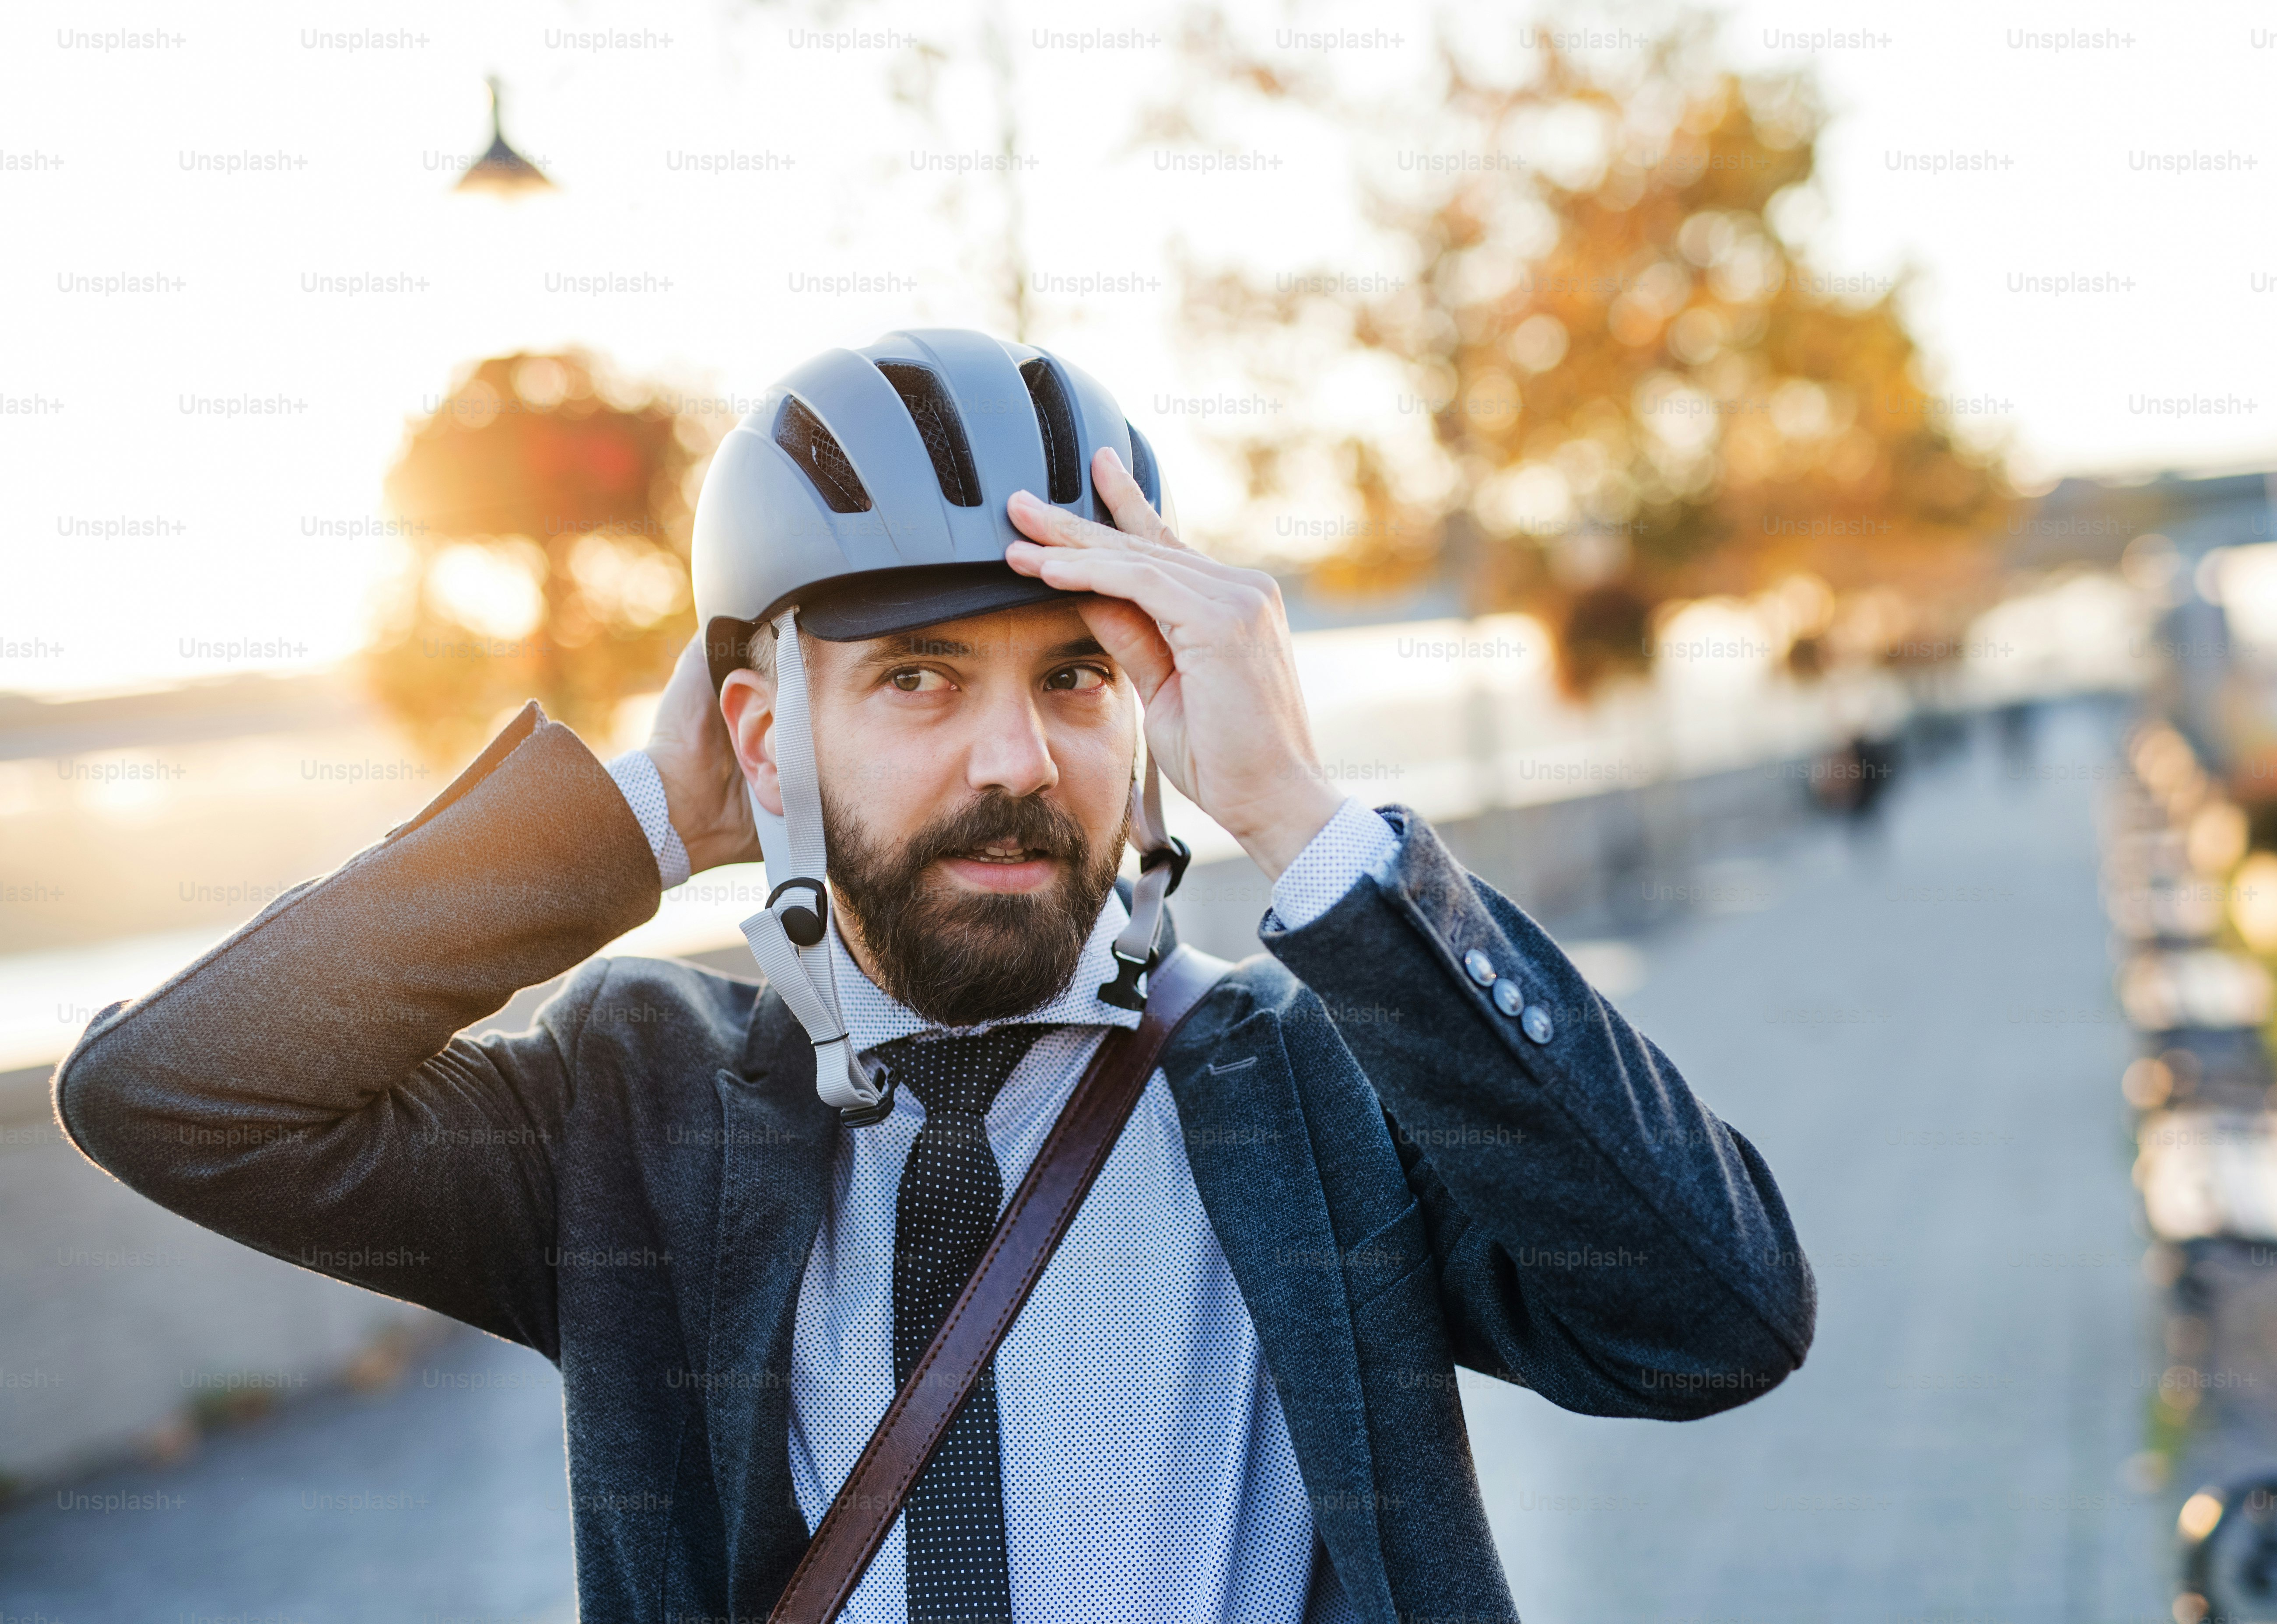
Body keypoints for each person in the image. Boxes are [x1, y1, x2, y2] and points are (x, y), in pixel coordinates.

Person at [54, 331, 1813, 1624]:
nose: (1016, 757)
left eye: (1073, 675)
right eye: (915, 681)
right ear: (769, 732)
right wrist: (646, 822)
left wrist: (1302, 814)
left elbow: (1710, 1321)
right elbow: (174, 1093)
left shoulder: (1315, 1077)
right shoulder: (637, 1111)